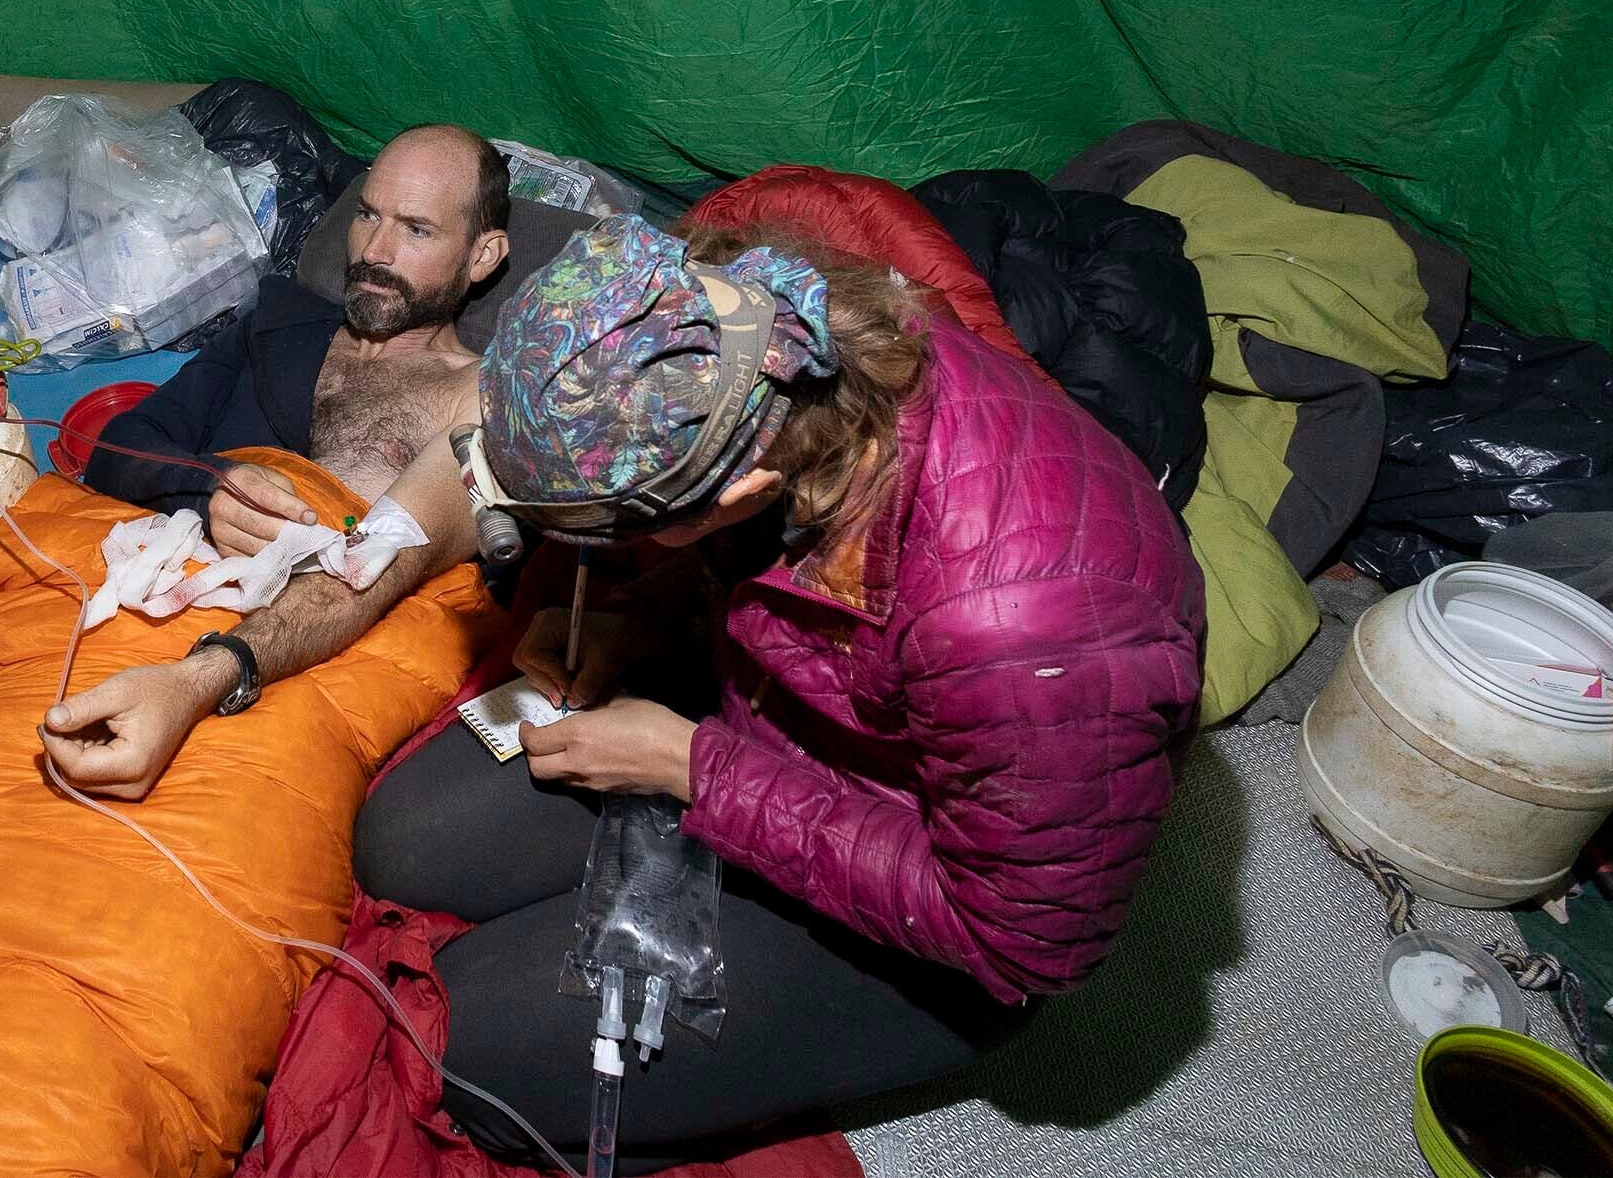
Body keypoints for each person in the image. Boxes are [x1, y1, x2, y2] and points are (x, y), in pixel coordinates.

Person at [349, 215, 1207, 1164]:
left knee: (473, 1049)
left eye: (611, 533)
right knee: (406, 844)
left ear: (737, 489)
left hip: (931, 896)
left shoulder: (1030, 629)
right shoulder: (769, 337)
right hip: (775, 705)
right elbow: (746, 558)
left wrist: (695, 771)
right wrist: (640, 620)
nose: (597, 554)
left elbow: (1021, 940)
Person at [83, 121, 510, 549]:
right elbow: (118, 450)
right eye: (367, 215)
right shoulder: (276, 325)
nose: (374, 251)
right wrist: (205, 491)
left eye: (416, 229)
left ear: (483, 256)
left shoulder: (477, 396)